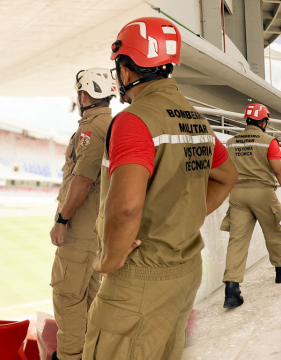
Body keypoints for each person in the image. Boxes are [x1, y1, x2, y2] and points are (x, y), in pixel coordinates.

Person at [84, 17, 238, 359]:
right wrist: (183, 218)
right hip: (184, 272)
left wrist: (107, 259)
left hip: (139, 280)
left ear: (126, 71)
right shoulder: (195, 119)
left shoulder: (133, 120)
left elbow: (126, 207)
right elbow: (227, 176)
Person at [49, 67, 116, 360]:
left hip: (80, 232)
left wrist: (62, 220)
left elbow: (83, 179)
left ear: (85, 95)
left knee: (68, 298)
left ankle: (70, 356)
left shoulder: (91, 128)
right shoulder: (112, 124)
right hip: (98, 231)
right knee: (91, 299)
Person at [221, 103, 281, 309]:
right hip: (263, 193)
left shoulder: (230, 143)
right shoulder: (268, 142)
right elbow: (280, 172)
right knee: (274, 232)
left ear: (247, 120)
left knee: (237, 240)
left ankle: (231, 288)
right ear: (264, 121)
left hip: (238, 194)